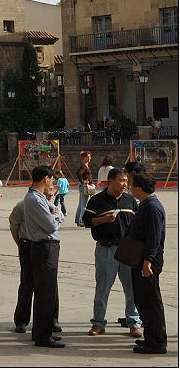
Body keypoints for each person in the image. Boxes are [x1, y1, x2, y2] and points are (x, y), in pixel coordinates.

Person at [81, 166, 142, 337]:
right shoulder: (97, 201)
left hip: (128, 249)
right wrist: (103, 219)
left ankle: (134, 322)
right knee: (102, 288)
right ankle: (98, 323)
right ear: (111, 181)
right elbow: (86, 221)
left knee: (131, 289)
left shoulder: (131, 201)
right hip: (106, 249)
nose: (125, 184)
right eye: (122, 180)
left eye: (126, 181)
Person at [21, 166, 65, 348]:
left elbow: (54, 212)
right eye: (51, 179)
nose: (52, 183)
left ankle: (42, 331)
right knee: (45, 293)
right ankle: (42, 335)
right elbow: (50, 225)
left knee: (46, 291)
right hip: (43, 247)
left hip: (47, 247)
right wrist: (58, 216)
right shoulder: (33, 199)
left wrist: (56, 213)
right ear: (45, 178)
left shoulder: (39, 198)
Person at [127, 169, 167, 354]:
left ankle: (157, 342)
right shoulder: (144, 204)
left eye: (132, 185)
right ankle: (150, 337)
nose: (129, 187)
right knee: (143, 301)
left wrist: (148, 261)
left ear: (139, 188)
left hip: (148, 260)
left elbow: (153, 238)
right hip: (141, 258)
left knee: (151, 302)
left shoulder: (152, 207)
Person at [9, 195, 61, 335]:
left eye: (52, 191)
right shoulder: (23, 205)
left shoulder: (52, 207)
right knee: (27, 282)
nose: (51, 194)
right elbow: (14, 225)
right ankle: (21, 320)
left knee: (50, 285)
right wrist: (20, 244)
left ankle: (52, 319)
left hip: (46, 246)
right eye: (48, 189)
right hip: (28, 244)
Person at [75, 151, 93, 227]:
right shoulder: (84, 166)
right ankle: (82, 220)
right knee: (84, 205)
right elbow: (79, 173)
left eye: (90, 156)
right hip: (85, 186)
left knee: (81, 204)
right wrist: (83, 182)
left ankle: (78, 220)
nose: (89, 158)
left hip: (83, 186)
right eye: (87, 157)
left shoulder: (85, 166)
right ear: (83, 158)